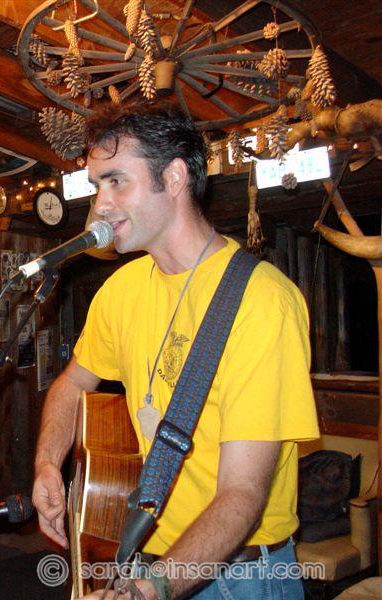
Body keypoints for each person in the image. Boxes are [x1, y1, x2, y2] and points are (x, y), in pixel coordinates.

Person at [32, 104, 319, 599]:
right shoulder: (121, 290)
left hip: (238, 578)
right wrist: (46, 465)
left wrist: (149, 591)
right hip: (145, 554)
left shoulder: (262, 301)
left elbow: (243, 493)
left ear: (174, 177)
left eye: (116, 181)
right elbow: (72, 382)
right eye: (97, 186)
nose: (100, 205)